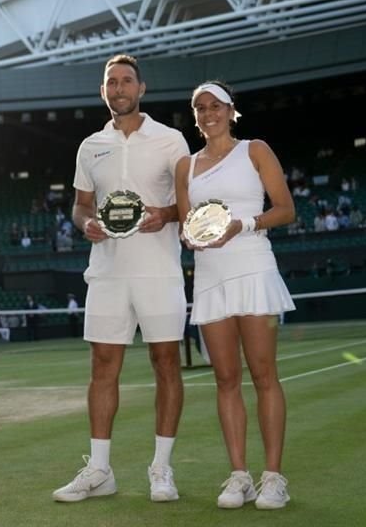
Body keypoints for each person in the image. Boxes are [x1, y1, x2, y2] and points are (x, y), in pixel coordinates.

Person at [53, 54, 188, 504]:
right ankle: (99, 470)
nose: (119, 89)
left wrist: (165, 214)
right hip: (108, 271)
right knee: (102, 368)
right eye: (111, 82)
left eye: (126, 81)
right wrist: (84, 223)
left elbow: (189, 205)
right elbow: (80, 205)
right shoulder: (90, 145)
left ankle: (161, 469)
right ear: (103, 91)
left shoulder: (171, 141)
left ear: (141, 88)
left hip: (159, 269)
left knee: (166, 364)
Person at [174, 80, 296, 510]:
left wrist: (240, 226)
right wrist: (192, 238)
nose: (207, 114)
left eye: (215, 106)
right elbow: (188, 224)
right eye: (199, 108)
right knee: (225, 379)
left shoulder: (256, 150)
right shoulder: (184, 167)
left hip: (253, 269)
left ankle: (273, 478)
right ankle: (240, 475)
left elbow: (285, 209)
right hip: (210, 277)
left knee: (264, 375)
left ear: (230, 110)